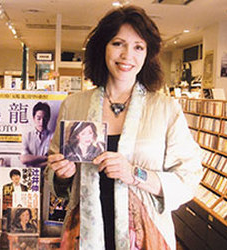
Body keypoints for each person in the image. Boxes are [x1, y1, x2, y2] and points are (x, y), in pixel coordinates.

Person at [45, 5, 203, 250]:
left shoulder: (165, 109)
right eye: (118, 43)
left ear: (147, 53)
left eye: (138, 46)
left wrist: (135, 175)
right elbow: (55, 178)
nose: (127, 55)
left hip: (146, 236)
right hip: (83, 234)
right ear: (103, 47)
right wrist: (62, 174)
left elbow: (189, 178)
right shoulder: (74, 105)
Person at [20, 101, 52, 168]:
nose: (42, 122)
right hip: (30, 174)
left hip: (48, 174)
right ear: (34, 118)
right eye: (38, 118)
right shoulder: (27, 136)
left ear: (49, 118)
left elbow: (54, 159)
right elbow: (23, 159)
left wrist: (33, 161)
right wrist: (45, 158)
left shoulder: (53, 136)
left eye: (45, 118)